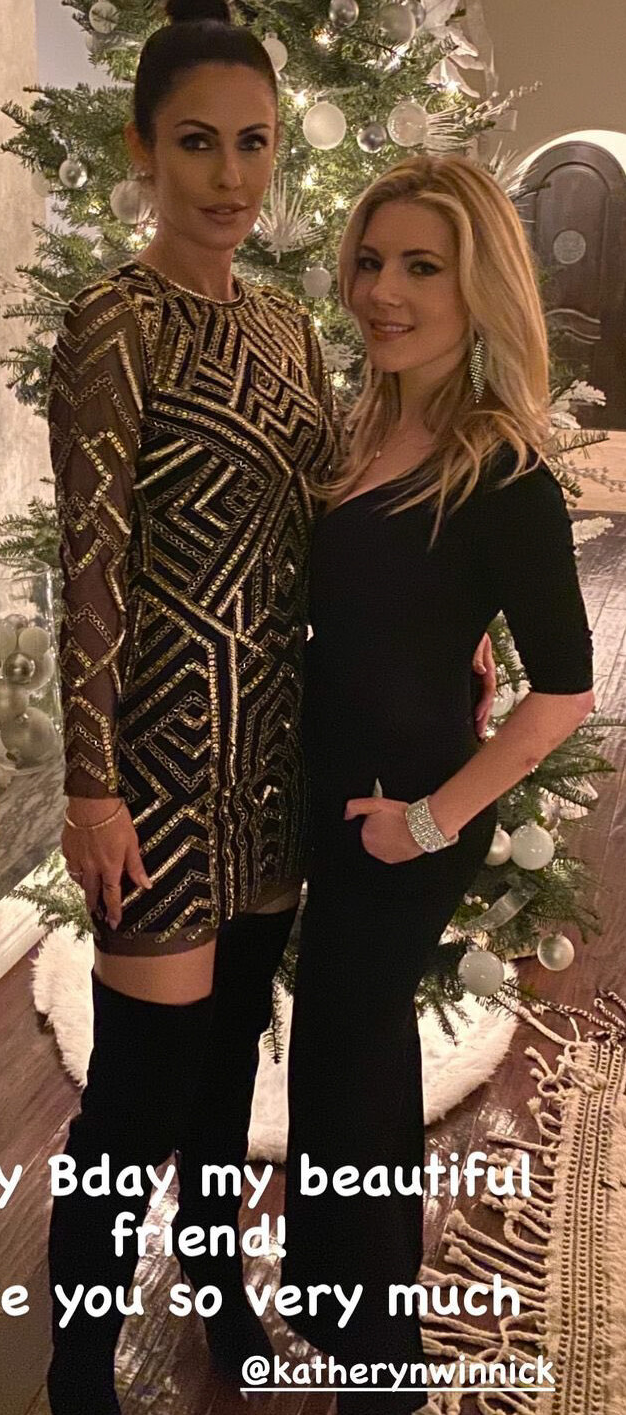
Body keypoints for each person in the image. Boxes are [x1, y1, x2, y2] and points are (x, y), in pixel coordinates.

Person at [47, 3, 494, 1404]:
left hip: (274, 764)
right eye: (198, 143)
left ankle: (223, 1301)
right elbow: (88, 573)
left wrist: (445, 636)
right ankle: (76, 1362)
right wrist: (90, 786)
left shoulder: (293, 330)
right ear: (144, 148)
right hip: (157, 770)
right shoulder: (112, 326)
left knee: (232, 1058)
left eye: (252, 143)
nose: (230, 176)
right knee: (137, 1091)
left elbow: (334, 520)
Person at [282, 154, 595, 1414]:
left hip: (405, 811)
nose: (384, 292)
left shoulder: (500, 468)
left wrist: (426, 821)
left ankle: (382, 1368)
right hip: (339, 786)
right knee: (335, 1051)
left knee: (353, 1060)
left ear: (479, 288)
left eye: (422, 266)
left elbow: (563, 694)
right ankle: (336, 1307)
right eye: (370, 262)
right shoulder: (364, 426)